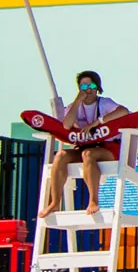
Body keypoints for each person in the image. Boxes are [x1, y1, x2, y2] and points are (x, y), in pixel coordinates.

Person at [38, 70, 132, 218]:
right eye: (83, 87)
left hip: (107, 148)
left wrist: (98, 122)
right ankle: (55, 202)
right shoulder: (74, 107)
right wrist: (77, 101)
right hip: (84, 147)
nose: (88, 89)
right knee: (61, 155)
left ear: (97, 87)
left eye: (92, 85)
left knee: (88, 154)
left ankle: (93, 200)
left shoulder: (104, 103)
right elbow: (66, 125)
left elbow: (124, 111)